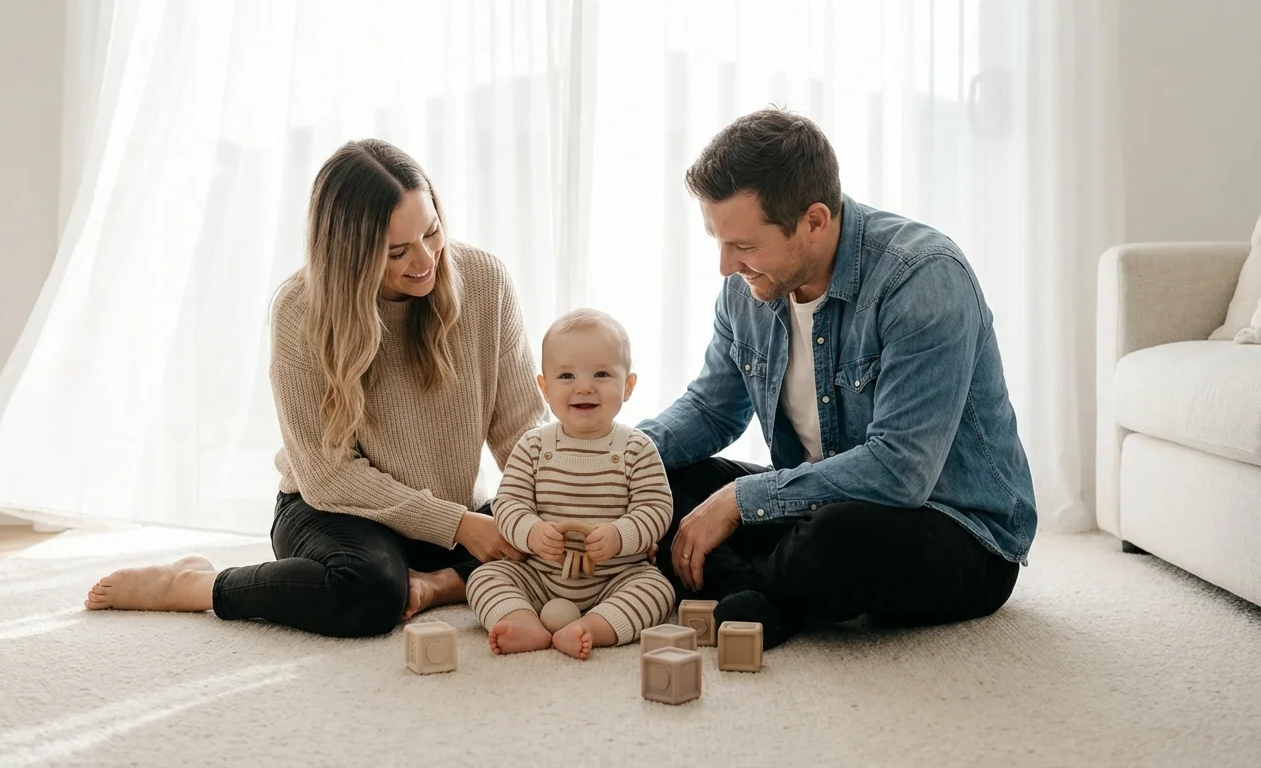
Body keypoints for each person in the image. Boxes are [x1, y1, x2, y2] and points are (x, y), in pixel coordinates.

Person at [83, 139, 546, 638]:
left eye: (431, 232)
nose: (426, 260)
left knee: (562, 541)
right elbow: (327, 475)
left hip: (449, 515)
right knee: (368, 592)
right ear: (351, 253)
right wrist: (458, 525)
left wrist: (551, 503)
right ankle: (196, 585)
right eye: (396, 252)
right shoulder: (300, 311)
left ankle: (436, 585)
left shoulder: (484, 281)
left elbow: (521, 428)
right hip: (335, 511)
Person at [640, 107, 1038, 650]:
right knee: (660, 485)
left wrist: (740, 500)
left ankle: (745, 587)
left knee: (834, 540)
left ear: (815, 220)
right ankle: (760, 593)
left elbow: (901, 471)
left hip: (953, 527)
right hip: (817, 499)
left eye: (746, 246)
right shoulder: (748, 288)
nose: (726, 266)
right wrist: (614, 456)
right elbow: (711, 410)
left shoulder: (922, 278)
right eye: (718, 240)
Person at [466, 309, 675, 660]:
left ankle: (593, 626)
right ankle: (521, 619)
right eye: (566, 375)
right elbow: (508, 504)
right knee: (486, 578)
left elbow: (656, 509)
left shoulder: (636, 448)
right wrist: (532, 533)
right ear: (544, 388)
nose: (584, 386)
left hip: (615, 577)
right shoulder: (533, 446)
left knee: (657, 589)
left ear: (628, 386)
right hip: (539, 575)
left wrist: (619, 535)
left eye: (601, 374)